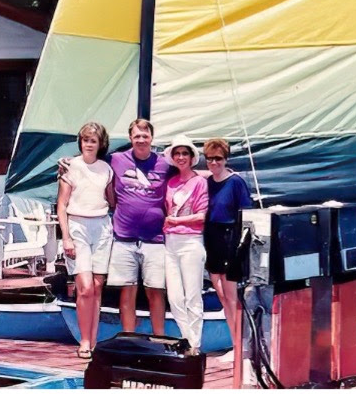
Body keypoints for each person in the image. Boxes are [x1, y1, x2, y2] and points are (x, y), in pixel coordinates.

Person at [106, 118, 174, 335]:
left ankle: (159, 338)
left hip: (154, 240)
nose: (141, 140)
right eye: (137, 136)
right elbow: (90, 164)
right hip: (124, 239)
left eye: (145, 136)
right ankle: (129, 338)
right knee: (127, 292)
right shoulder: (116, 159)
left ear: (152, 138)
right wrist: (67, 164)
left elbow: (188, 174)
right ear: (130, 138)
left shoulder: (165, 163)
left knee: (156, 291)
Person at [56, 121, 116, 359]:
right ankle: (83, 340)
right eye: (85, 140)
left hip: (102, 227)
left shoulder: (106, 169)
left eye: (93, 140)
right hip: (78, 227)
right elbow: (61, 205)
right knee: (85, 287)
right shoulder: (70, 167)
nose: (88, 144)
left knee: (98, 287)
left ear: (100, 144)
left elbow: (111, 201)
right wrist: (66, 237)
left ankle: (93, 340)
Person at [202, 138, 253, 360]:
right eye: (210, 159)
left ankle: (241, 346)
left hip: (229, 236)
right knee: (221, 294)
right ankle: (235, 341)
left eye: (218, 159)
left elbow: (246, 214)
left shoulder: (236, 182)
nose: (214, 163)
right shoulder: (207, 182)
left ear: (226, 159)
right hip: (211, 236)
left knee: (231, 295)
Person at [162, 134, 209, 352]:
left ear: (191, 157)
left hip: (191, 242)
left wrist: (175, 220)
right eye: (177, 153)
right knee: (174, 298)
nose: (181, 157)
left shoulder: (199, 182)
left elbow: (201, 216)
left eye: (184, 153)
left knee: (193, 296)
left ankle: (195, 345)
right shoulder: (170, 183)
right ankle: (187, 339)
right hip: (171, 243)